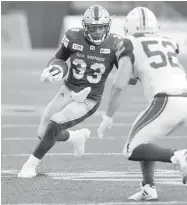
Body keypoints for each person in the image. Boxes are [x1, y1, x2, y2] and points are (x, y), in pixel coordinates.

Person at [18, 5, 130, 178]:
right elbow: (59, 58)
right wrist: (50, 70)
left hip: (89, 98)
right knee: (43, 132)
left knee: (55, 123)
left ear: (108, 26)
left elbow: (128, 76)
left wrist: (135, 69)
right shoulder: (72, 36)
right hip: (68, 89)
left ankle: (30, 166)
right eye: (93, 28)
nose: (98, 32)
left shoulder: (116, 44)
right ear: (85, 27)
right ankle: (75, 137)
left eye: (101, 27)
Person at [97, 7, 187, 201]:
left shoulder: (129, 42)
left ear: (128, 27)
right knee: (144, 140)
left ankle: (177, 155)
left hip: (166, 100)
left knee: (131, 149)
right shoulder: (168, 41)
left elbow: (120, 85)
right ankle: (148, 188)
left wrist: (108, 116)